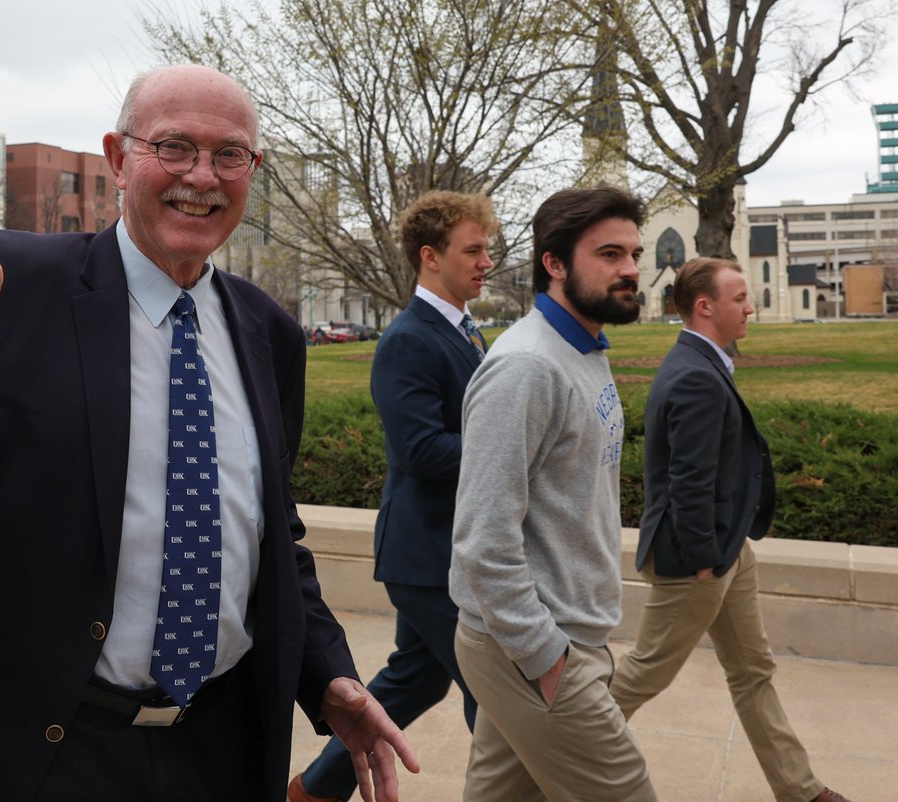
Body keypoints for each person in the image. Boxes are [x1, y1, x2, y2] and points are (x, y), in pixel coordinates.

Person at [0, 64, 416, 802]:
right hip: (21, 750)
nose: (202, 176)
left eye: (230, 154)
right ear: (119, 158)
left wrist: (328, 674)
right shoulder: (4, 282)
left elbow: (267, 531)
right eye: (174, 146)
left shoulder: (270, 332)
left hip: (219, 747)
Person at [609, 257, 851, 802]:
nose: (750, 308)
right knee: (642, 676)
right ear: (704, 307)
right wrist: (703, 558)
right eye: (740, 299)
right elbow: (688, 480)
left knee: (753, 670)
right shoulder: (695, 375)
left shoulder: (702, 361)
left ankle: (801, 790)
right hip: (697, 558)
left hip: (728, 548)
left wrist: (724, 549)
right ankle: (547, 766)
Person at [448, 185, 657, 801]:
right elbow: (482, 536)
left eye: (634, 254)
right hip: (532, 641)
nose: (630, 269)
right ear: (555, 263)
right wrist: (544, 656)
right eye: (610, 254)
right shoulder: (526, 366)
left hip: (557, 635)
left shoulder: (581, 348)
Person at [289, 191, 492, 802]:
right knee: (497, 693)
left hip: (445, 550)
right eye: (473, 250)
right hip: (427, 556)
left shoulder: (462, 330)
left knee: (416, 679)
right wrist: (510, 450)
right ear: (430, 256)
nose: (486, 262)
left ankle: (312, 792)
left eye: (487, 249)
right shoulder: (408, 339)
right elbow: (421, 451)